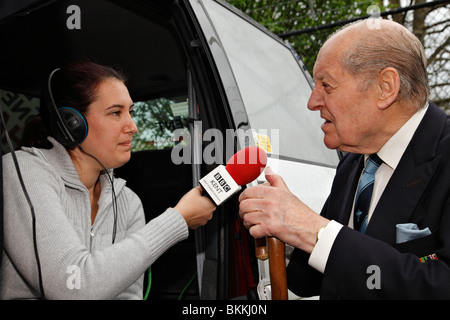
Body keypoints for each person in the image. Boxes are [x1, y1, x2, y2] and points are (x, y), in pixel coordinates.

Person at [239, 18, 450, 299]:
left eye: (326, 86)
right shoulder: (353, 163)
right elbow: (312, 278)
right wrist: (283, 232)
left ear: (385, 87)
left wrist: (311, 230)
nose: (312, 102)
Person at [0, 60, 216, 299]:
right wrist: (176, 221)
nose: (133, 126)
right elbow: (72, 286)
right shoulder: (22, 171)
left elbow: (129, 296)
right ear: (71, 124)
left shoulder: (128, 201)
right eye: (116, 113)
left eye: (130, 112)